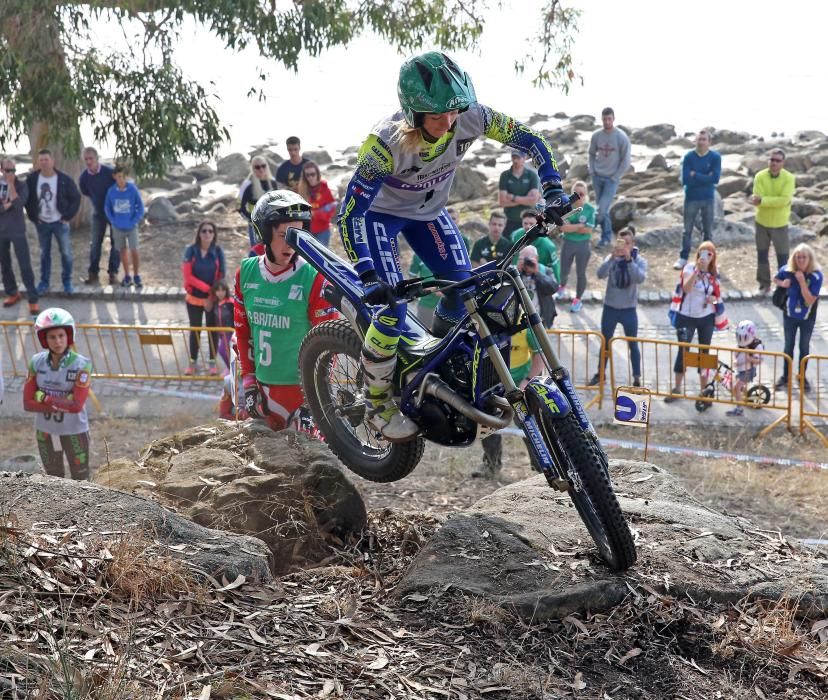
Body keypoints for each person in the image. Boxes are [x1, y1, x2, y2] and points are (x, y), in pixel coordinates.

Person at [336, 51, 569, 440]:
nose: (448, 122)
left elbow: (532, 139)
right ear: (413, 113)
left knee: (466, 293)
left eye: (453, 111)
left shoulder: (472, 115)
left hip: (430, 214)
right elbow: (350, 215)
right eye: (436, 115)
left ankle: (438, 364)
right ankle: (376, 399)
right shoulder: (383, 144)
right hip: (381, 217)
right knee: (392, 309)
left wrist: (553, 188)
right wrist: (368, 273)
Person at [234, 190, 337, 431]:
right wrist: (248, 382)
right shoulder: (245, 272)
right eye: (283, 235)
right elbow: (242, 333)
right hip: (261, 392)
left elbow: (329, 346)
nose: (291, 244)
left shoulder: (316, 277)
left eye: (298, 235)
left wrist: (316, 398)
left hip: (303, 395)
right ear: (264, 233)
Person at [23, 308, 92, 480]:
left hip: (75, 431)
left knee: (81, 477)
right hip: (45, 431)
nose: (58, 341)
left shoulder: (82, 365)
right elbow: (27, 403)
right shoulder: (36, 362)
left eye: (61, 336)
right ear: (44, 339)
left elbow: (76, 406)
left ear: (69, 335)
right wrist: (63, 401)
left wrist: (44, 398)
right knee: (53, 479)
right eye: (52, 337)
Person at [665, 241, 727, 402]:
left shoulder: (715, 273)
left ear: (713, 257)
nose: (705, 256)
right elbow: (686, 288)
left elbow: (716, 295)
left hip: (706, 317)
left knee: (704, 353)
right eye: (702, 252)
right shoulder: (689, 268)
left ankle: (703, 391)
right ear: (698, 254)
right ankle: (677, 388)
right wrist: (697, 271)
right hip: (686, 316)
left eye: (709, 254)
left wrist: (713, 299)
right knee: (683, 351)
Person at [591, 227, 647, 387]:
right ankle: (600, 373)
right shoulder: (612, 258)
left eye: (627, 243)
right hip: (610, 308)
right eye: (621, 242)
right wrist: (611, 259)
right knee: (605, 343)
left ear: (633, 243)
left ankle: (637, 377)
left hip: (629, 309)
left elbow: (639, 278)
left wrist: (629, 260)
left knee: (632, 344)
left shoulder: (639, 260)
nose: (624, 246)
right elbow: (600, 274)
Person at [25, 149, 81, 296]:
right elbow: (27, 199)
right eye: (41, 160)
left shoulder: (63, 179)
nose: (43, 162)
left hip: (60, 223)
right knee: (44, 254)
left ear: (52, 161)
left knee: (66, 253)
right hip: (42, 223)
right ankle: (44, 283)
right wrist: (33, 216)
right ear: (38, 162)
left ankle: (67, 283)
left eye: (46, 159)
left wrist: (68, 216)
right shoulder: (32, 179)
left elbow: (76, 197)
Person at [773, 243, 822, 393]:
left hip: (807, 317)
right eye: (798, 257)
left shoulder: (816, 275)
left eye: (804, 257)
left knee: (804, 347)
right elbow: (775, 278)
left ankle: (801, 376)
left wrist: (801, 282)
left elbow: (810, 299)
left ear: (810, 259)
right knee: (788, 346)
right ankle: (785, 376)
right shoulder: (787, 270)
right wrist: (783, 283)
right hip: (789, 315)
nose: (800, 260)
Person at [181, 221, 225, 376]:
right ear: (199, 233)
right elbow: (188, 276)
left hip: (211, 299)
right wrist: (207, 290)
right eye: (204, 231)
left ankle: (212, 361)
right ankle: (193, 361)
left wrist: (211, 296)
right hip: (194, 298)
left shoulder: (218, 251)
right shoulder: (190, 251)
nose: (207, 234)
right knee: (195, 330)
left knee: (213, 330)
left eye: (210, 231)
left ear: (214, 234)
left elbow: (221, 276)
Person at [409, 223, 472, 329]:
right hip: (426, 305)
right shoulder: (419, 254)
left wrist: (447, 290)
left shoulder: (455, 253)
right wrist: (429, 287)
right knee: (425, 337)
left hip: (451, 308)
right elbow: (412, 279)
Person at [674, 130, 721, 270]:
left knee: (707, 230)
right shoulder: (689, 157)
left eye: (704, 139)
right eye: (699, 139)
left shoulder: (715, 157)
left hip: (708, 197)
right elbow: (686, 180)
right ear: (695, 141)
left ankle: (707, 259)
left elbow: (715, 178)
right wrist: (705, 177)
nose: (701, 142)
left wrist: (696, 175)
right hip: (691, 197)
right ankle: (683, 257)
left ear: (709, 142)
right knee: (687, 230)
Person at [752, 148, 796, 294]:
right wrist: (767, 201)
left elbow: (784, 200)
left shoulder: (789, 178)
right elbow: (757, 197)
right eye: (772, 160)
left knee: (783, 257)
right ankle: (764, 285)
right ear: (768, 160)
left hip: (780, 224)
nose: (774, 163)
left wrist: (763, 201)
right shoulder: (759, 176)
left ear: (783, 163)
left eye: (778, 161)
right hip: (761, 223)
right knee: (762, 255)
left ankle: (783, 285)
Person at [0, 158, 39, 315]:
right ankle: (12, 293)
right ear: (2, 169)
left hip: (18, 231)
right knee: (5, 264)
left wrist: (11, 186)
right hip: (1, 231)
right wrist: (5, 206)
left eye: (13, 170)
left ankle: (33, 299)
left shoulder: (21, 185)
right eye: (8, 170)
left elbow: (19, 204)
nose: (11, 174)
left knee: (25, 265)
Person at [588, 107, 631, 248]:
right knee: (604, 210)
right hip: (597, 177)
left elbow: (625, 160)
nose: (607, 122)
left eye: (609, 119)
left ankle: (588, 231)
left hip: (611, 179)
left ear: (613, 119)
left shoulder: (621, 137)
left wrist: (616, 176)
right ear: (602, 119)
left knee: (601, 210)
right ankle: (606, 237)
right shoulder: (596, 135)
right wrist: (592, 170)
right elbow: (591, 154)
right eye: (604, 119)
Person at [78, 146, 119, 286]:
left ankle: (113, 273)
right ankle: (93, 273)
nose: (89, 162)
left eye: (91, 158)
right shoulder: (84, 177)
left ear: (97, 158)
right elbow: (85, 191)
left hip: (114, 212)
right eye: (86, 159)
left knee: (116, 243)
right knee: (95, 244)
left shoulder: (109, 172)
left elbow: (119, 186)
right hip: (98, 213)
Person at [556, 180, 596, 313]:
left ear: (586, 195)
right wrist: (578, 226)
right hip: (568, 243)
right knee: (564, 271)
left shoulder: (590, 209)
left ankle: (578, 300)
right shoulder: (566, 207)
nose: (579, 196)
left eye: (581, 194)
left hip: (583, 245)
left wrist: (571, 227)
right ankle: (561, 287)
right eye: (575, 194)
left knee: (580, 274)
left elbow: (588, 230)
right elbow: (562, 227)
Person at [104, 166, 145, 288]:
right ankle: (127, 275)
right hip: (118, 226)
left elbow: (140, 206)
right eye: (118, 177)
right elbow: (107, 207)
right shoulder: (111, 191)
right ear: (114, 177)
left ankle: (137, 275)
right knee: (122, 251)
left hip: (131, 226)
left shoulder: (132, 189)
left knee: (134, 250)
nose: (120, 179)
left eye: (122, 177)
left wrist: (135, 220)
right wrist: (113, 220)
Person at [498, 150, 541, 236]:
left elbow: (533, 201)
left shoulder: (532, 175)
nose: (515, 160)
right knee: (510, 247)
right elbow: (502, 202)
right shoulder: (505, 175)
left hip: (529, 222)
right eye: (514, 157)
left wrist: (513, 197)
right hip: (510, 220)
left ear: (525, 158)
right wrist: (525, 199)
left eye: (518, 158)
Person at [726, 320, 763, 417]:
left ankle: (739, 409)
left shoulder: (756, 346)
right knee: (734, 385)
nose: (742, 339)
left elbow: (759, 360)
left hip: (748, 371)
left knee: (736, 387)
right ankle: (744, 399)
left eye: (744, 337)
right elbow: (737, 355)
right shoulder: (740, 345)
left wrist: (749, 358)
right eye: (740, 337)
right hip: (741, 369)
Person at [238, 156, 278, 248]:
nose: (261, 169)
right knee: (256, 253)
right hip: (255, 226)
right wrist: (251, 220)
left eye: (263, 166)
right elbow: (239, 206)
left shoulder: (273, 183)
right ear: (252, 169)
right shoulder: (247, 185)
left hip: (271, 224)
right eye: (257, 167)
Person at [297, 161, 337, 247]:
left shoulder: (324, 188)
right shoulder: (301, 190)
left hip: (323, 230)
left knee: (322, 258)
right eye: (307, 175)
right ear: (304, 177)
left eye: (313, 174)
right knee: (308, 257)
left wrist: (316, 213)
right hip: (307, 230)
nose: (310, 177)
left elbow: (332, 208)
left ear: (317, 174)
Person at [210, 278, 234, 373]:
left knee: (222, 351)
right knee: (226, 352)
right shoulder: (216, 303)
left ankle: (231, 368)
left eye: (223, 290)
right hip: (221, 333)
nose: (220, 293)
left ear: (226, 291)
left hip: (230, 332)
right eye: (218, 290)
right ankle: (231, 368)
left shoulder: (230, 303)